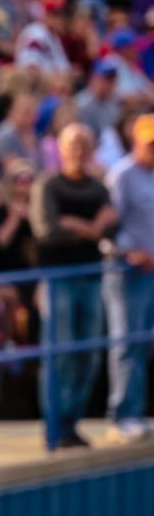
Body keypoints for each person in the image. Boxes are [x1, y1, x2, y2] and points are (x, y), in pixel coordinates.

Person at [31, 123, 117, 450]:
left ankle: (71, 422)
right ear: (61, 149)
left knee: (90, 355)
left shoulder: (98, 187)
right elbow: (47, 230)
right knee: (60, 354)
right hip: (58, 280)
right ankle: (55, 425)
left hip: (92, 278)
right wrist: (93, 227)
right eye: (72, 144)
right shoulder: (48, 185)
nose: (79, 150)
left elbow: (112, 227)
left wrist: (82, 226)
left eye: (85, 143)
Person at [103, 114, 154, 444]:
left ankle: (136, 411)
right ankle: (120, 415)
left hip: (151, 274)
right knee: (126, 343)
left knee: (144, 345)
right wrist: (129, 252)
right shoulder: (120, 176)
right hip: (127, 273)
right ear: (136, 142)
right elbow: (108, 228)